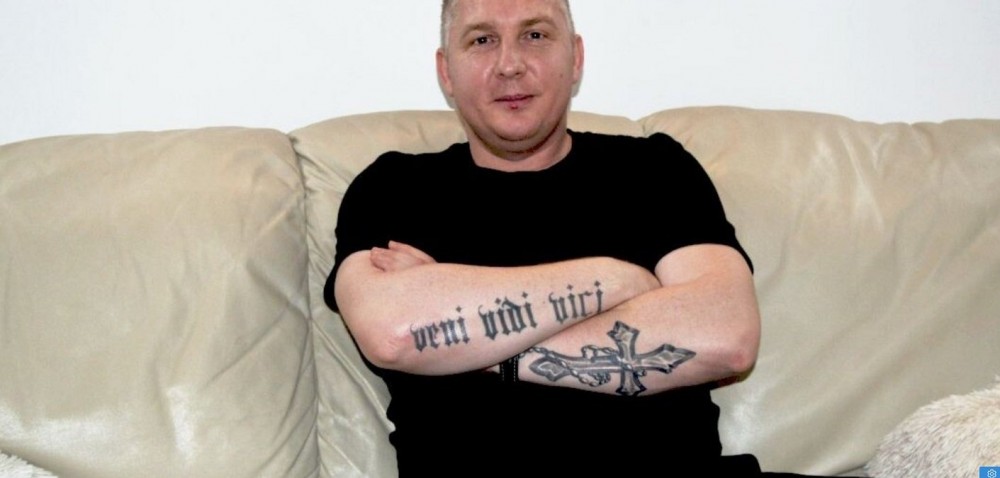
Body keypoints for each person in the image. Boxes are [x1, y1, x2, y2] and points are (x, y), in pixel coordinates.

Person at [324, 0, 793, 475]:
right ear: (446, 71)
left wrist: (465, 342)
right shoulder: (393, 188)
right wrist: (613, 281)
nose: (510, 64)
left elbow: (726, 336)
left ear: (576, 57)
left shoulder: (654, 170)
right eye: (482, 40)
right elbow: (394, 336)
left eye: (535, 35)